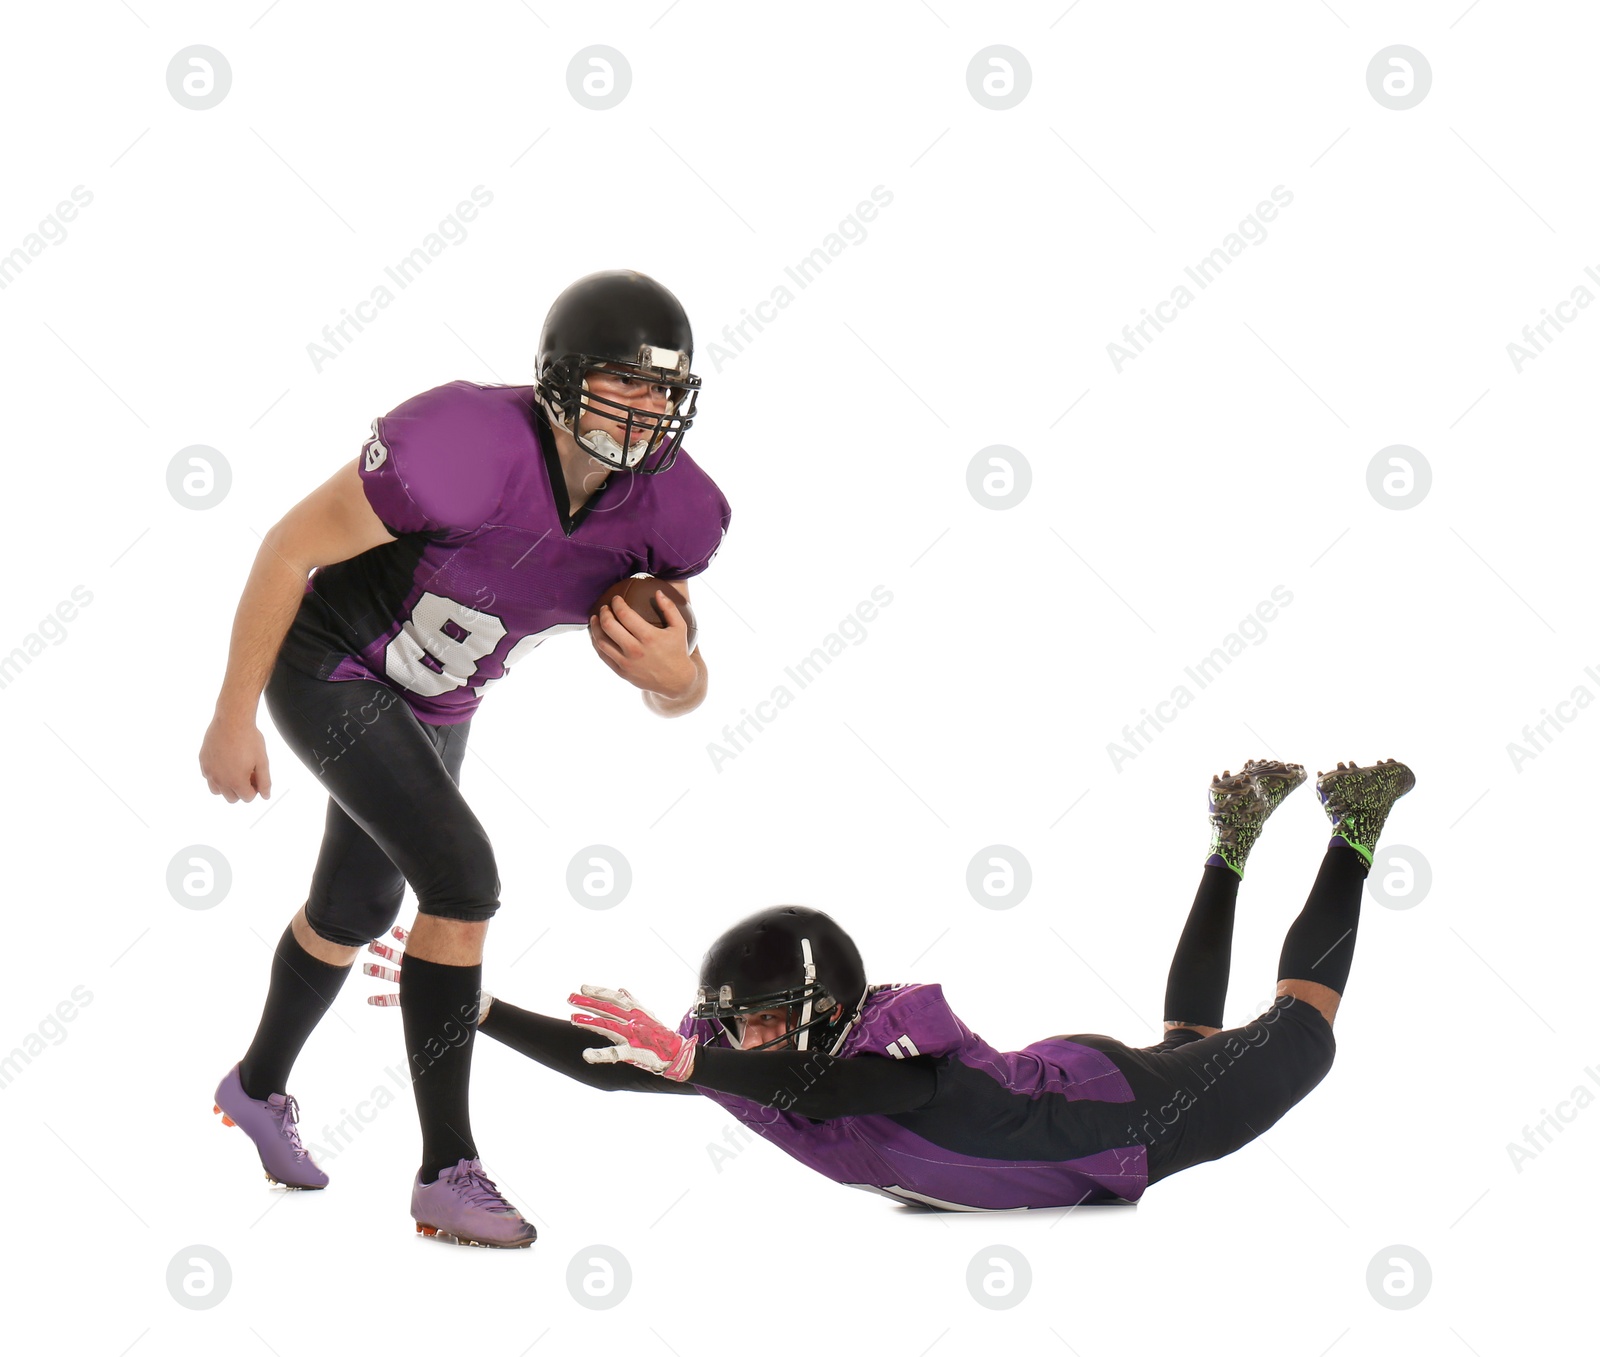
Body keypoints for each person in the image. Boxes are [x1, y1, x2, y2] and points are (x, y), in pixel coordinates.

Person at [200, 269, 732, 1248]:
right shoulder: (459, 445)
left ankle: (257, 1084)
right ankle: (447, 1168)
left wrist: (679, 673)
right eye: (627, 379)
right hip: (333, 665)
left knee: (355, 910)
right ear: (564, 379)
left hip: (440, 696)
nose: (650, 407)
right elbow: (287, 549)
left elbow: (677, 688)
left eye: (667, 388)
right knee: (463, 878)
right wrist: (233, 717)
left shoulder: (678, 511)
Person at [394, 757, 1413, 1217]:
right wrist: (474, 1006)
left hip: (1135, 1120)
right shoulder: (758, 1060)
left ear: (829, 1016)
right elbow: (617, 1072)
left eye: (765, 1022)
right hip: (1076, 1086)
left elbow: (836, 1093)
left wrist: (700, 1059)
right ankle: (1231, 842)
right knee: (1185, 1028)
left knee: (1297, 1031)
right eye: (736, 1023)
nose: (744, 1040)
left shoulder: (886, 1065)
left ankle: (1354, 823)